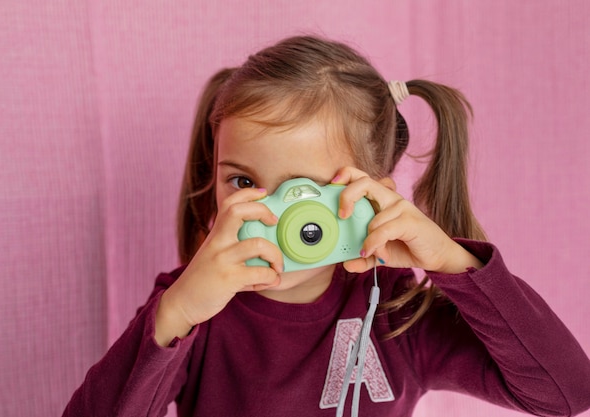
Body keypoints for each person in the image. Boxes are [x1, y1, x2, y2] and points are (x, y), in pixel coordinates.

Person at [63, 35, 590, 417]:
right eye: (243, 182)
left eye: (305, 194)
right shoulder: (193, 310)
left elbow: (567, 393)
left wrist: (454, 264)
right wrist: (175, 312)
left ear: (371, 192)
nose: (270, 216)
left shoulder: (398, 312)